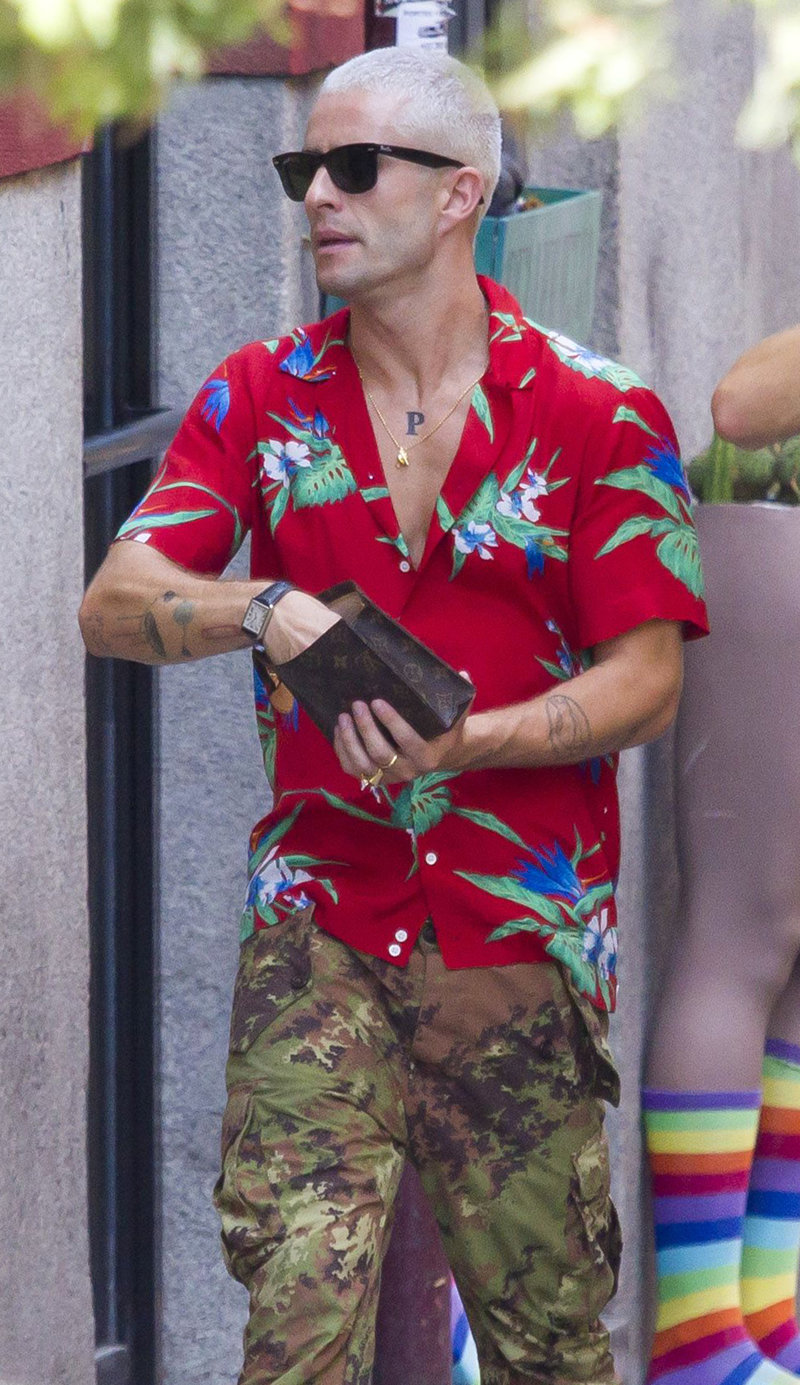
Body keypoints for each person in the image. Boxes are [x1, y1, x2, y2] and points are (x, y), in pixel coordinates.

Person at [79, 47, 707, 1385]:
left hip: (516, 947)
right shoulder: (258, 396)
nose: (319, 196)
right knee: (295, 1336)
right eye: (305, 168)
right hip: (319, 928)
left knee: (548, 1352)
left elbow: (647, 678)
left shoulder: (598, 412)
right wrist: (262, 607)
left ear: (460, 191)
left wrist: (475, 740)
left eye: (356, 168)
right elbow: (114, 602)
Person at [643, 329, 800, 1385]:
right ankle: (699, 1331)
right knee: (747, 932)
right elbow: (740, 408)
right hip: (772, 541)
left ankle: (768, 1310)